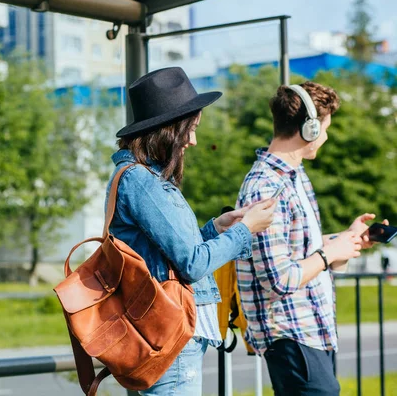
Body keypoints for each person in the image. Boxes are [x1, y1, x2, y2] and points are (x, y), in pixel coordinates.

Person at [105, 67, 277, 396]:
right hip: (173, 338)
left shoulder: (138, 176)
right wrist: (246, 231)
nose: (193, 141)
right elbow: (193, 264)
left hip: (166, 334)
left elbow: (168, 251)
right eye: (190, 129)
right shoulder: (142, 181)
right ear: (167, 129)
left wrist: (216, 228)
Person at [235, 81, 389, 395]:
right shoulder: (265, 188)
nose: (327, 135)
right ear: (309, 128)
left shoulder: (295, 175)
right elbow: (278, 279)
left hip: (312, 329)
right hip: (290, 334)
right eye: (326, 127)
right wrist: (328, 254)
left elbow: (294, 246)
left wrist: (345, 239)